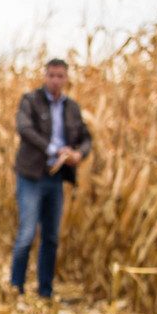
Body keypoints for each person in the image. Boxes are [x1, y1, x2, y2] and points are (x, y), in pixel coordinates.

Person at [10, 58, 94, 297]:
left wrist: (79, 154)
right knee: (27, 234)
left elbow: (86, 136)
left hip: (55, 179)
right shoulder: (31, 101)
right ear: (45, 76)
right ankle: (16, 287)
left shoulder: (72, 108)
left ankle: (45, 291)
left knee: (51, 237)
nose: (56, 80)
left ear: (67, 79)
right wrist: (53, 149)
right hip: (31, 176)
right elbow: (24, 129)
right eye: (52, 75)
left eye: (60, 76)